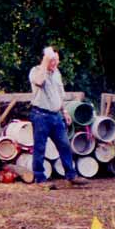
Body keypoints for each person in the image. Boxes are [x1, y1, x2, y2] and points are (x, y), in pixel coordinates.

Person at [29, 46, 89, 189]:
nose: (55, 63)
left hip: (56, 116)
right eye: (52, 60)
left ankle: (71, 176)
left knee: (65, 145)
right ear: (44, 59)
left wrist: (65, 112)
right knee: (40, 147)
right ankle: (39, 178)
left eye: (57, 60)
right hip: (40, 116)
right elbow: (39, 82)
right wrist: (45, 62)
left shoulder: (57, 73)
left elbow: (59, 94)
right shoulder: (36, 71)